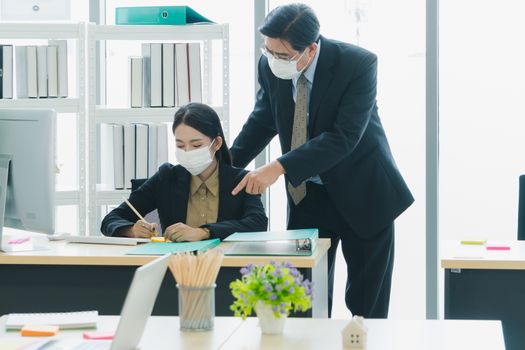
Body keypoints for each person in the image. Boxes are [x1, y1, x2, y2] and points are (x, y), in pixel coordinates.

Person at [230, 3, 414, 318]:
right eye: (268, 51)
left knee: (365, 310)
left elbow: (344, 137)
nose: (273, 60)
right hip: (309, 196)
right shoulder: (270, 66)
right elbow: (263, 120)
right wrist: (223, 168)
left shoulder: (357, 64)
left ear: (311, 49)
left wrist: (278, 167)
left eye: (283, 55)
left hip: (365, 194)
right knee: (302, 301)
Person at [101, 103, 268, 241]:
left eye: (196, 145)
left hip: (226, 267)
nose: (187, 151)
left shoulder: (241, 180)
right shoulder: (166, 178)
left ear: (216, 143)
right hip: (175, 267)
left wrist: (204, 232)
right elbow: (111, 219)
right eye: (180, 145)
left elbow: (257, 223)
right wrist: (131, 230)